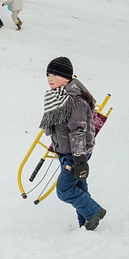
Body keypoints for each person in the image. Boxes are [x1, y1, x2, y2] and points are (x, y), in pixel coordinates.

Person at [39, 56, 106, 231]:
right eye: (48, 74)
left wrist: (79, 159)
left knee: (64, 190)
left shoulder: (74, 100)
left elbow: (78, 131)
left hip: (76, 154)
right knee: (78, 187)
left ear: (67, 77)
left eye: (55, 74)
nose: (50, 78)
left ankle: (94, 212)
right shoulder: (59, 97)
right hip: (68, 153)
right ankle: (85, 224)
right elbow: (61, 128)